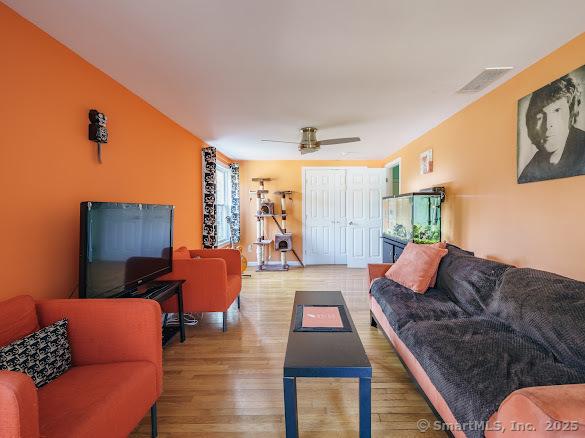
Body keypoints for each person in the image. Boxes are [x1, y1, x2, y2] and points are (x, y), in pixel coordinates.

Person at [519, 74, 585, 183]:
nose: (548, 124)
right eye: (540, 116)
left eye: (557, 110)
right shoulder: (535, 163)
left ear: (570, 112)